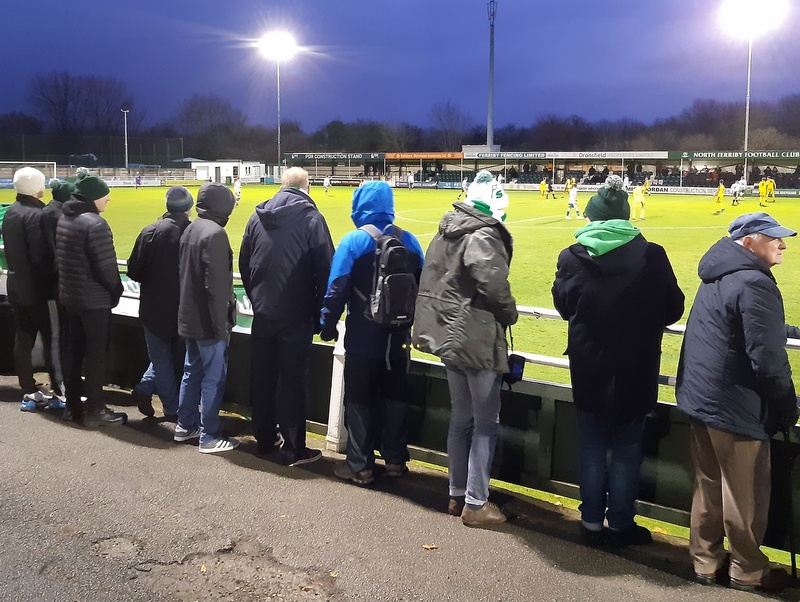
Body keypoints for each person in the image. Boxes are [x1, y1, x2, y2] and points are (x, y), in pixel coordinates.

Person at [552, 174, 684, 547]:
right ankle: (621, 523)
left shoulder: (571, 256)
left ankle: (592, 522)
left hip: (589, 367)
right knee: (627, 448)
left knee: (592, 446)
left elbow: (563, 305)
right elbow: (674, 308)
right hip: (637, 366)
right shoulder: (652, 255)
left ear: (593, 215)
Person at [676, 212, 798, 593]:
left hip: (702, 398)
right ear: (749, 242)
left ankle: (705, 561)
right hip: (735, 405)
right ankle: (747, 570)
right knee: (744, 495)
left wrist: (788, 330)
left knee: (709, 486)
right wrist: (787, 406)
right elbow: (768, 358)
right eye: (774, 239)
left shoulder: (720, 273)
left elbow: (740, 324)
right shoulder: (754, 282)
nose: (783, 245)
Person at [413, 170, 517, 527]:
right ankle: (475, 503)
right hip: (474, 340)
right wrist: (510, 313)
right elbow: (493, 284)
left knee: (461, 418)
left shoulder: (446, 230)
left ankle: (456, 494)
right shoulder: (483, 234)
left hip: (449, 337)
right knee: (485, 423)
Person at [320, 181, 424, 485]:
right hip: (399, 338)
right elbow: (423, 287)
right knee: (395, 397)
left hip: (363, 337)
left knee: (359, 399)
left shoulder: (354, 241)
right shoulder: (410, 241)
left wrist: (327, 325)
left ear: (359, 205)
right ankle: (395, 461)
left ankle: (360, 466)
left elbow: (336, 288)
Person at [239, 167, 334, 466]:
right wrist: (320, 313)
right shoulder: (312, 219)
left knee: (263, 377)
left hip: (263, 313)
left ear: (282, 186)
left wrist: (257, 299)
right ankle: (293, 449)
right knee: (293, 381)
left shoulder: (256, 217)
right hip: (297, 314)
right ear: (307, 187)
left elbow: (244, 263)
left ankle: (265, 438)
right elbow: (327, 270)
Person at [56, 171, 127, 426]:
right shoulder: (95, 224)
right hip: (93, 301)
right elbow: (106, 268)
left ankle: (73, 406)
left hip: (71, 297)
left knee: (73, 353)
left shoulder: (66, 218)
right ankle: (96, 410)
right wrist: (116, 291)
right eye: (105, 194)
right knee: (96, 355)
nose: (108, 198)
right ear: (93, 197)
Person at [175, 182, 238, 453]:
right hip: (209, 321)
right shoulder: (215, 234)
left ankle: (185, 425)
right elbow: (217, 287)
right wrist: (220, 325)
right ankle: (209, 435)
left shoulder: (192, 228)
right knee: (213, 377)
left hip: (189, 316)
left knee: (192, 371)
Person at [126, 186, 194, 420]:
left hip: (154, 308)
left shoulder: (150, 231)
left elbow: (134, 271)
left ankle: (149, 389)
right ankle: (173, 409)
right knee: (176, 360)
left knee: (161, 358)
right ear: (189, 207)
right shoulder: (194, 233)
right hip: (185, 309)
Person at [2, 168, 63, 411]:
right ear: (37, 186)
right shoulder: (37, 215)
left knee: (23, 336)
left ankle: (28, 390)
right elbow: (43, 257)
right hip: (39, 289)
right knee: (53, 339)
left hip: (16, 285)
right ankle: (60, 392)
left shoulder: (11, 212)